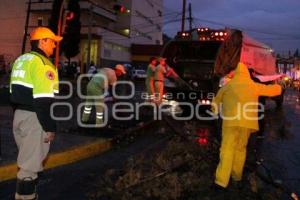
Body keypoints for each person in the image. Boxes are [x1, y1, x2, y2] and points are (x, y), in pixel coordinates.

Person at [10, 27, 62, 200]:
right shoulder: (44, 64)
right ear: (42, 41)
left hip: (19, 116)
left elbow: (13, 93)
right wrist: (49, 127)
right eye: (52, 41)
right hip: (35, 120)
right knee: (29, 168)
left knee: (26, 161)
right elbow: (42, 101)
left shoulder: (21, 60)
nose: (54, 46)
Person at [211, 62, 281, 191]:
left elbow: (215, 102)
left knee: (227, 149)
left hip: (230, 123)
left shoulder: (228, 86)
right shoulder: (253, 86)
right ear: (246, 73)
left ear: (236, 73)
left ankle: (221, 181)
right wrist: (278, 86)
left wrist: (215, 112)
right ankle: (236, 177)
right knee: (240, 150)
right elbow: (272, 90)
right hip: (247, 124)